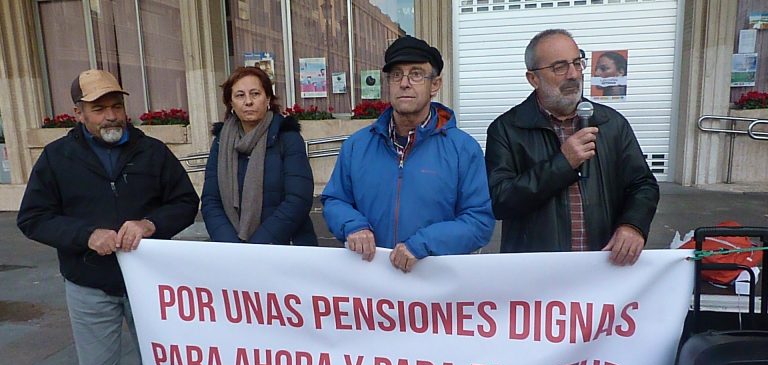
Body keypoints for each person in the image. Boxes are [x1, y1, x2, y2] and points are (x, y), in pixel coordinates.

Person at [17, 69, 199, 365]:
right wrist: (85, 235)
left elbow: (184, 202)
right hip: (89, 284)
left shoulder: (152, 151)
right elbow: (33, 218)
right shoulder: (57, 158)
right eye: (99, 109)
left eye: (116, 106)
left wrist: (150, 224)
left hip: (148, 283)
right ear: (78, 113)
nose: (111, 116)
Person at [321, 35, 495, 273]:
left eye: (416, 74)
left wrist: (424, 244)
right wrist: (353, 226)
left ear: (435, 85)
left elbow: (479, 221)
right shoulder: (357, 146)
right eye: (396, 75)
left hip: (435, 287)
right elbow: (335, 199)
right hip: (368, 282)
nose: (404, 83)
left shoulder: (463, 149)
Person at [485, 29, 659, 266]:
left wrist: (633, 225)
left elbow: (643, 184)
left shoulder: (611, 124)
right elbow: (501, 201)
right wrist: (563, 164)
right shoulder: (507, 129)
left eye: (577, 63)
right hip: (536, 272)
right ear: (533, 78)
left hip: (603, 266)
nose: (573, 74)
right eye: (559, 67)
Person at [201, 66, 317, 245]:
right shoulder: (221, 142)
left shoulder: (287, 138)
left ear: (268, 98)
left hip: (284, 248)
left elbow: (298, 200)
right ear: (230, 103)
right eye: (240, 95)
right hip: (233, 252)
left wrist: (258, 246)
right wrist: (231, 245)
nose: (248, 101)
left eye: (255, 94)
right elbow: (211, 201)